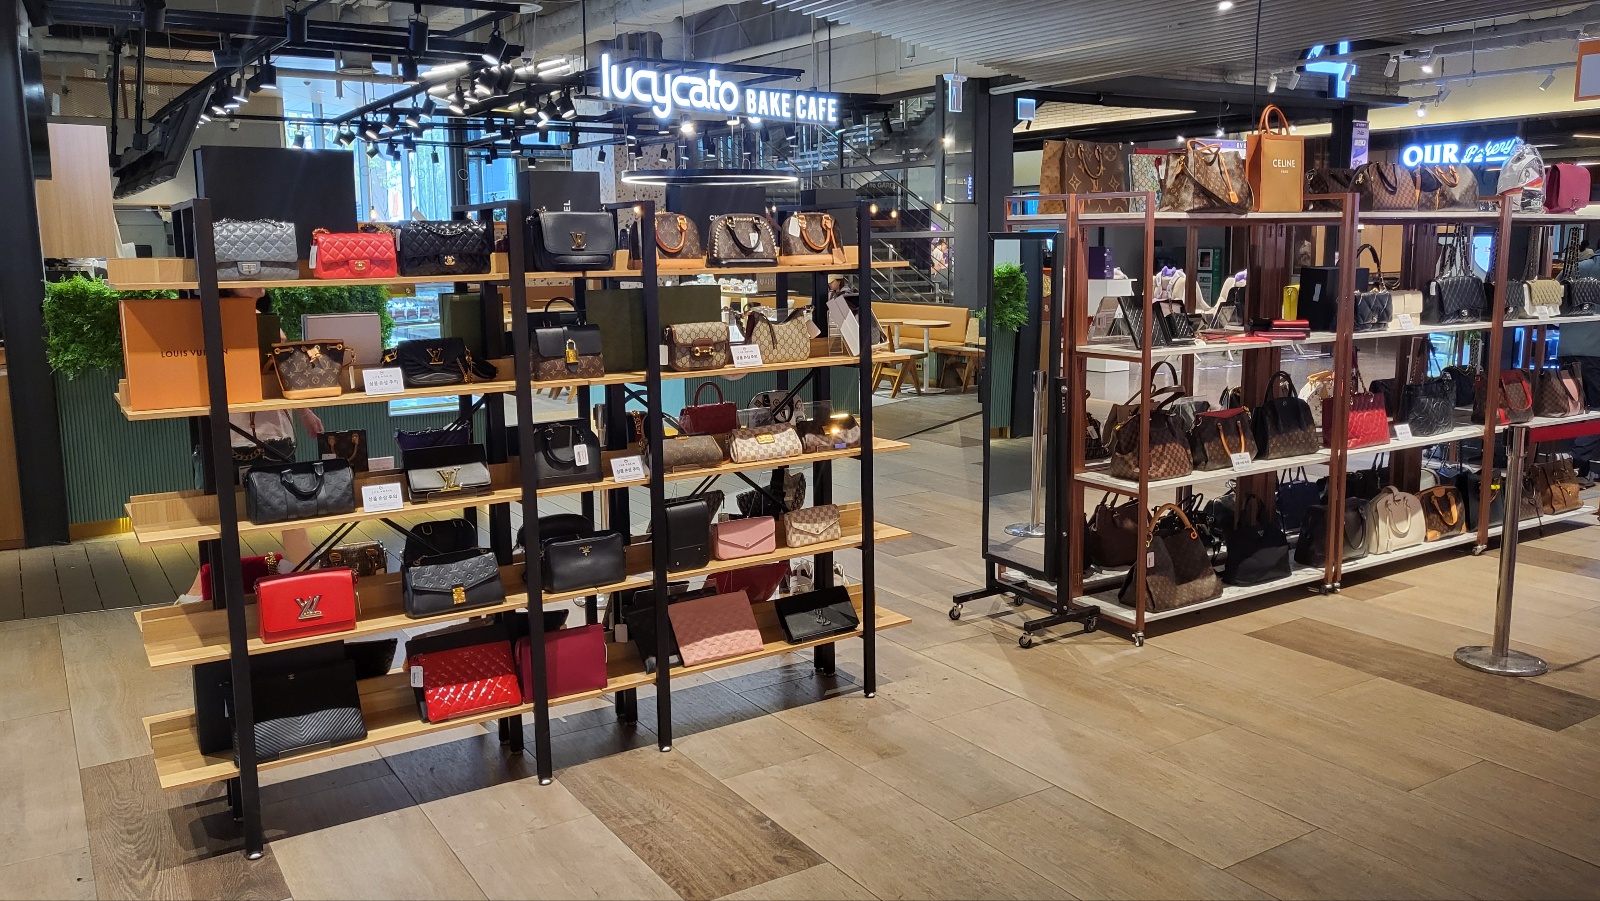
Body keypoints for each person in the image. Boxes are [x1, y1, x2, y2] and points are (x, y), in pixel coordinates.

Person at [181, 290, 326, 601]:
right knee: (230, 525)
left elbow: (286, 377)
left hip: (268, 435)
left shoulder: (264, 324)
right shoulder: (214, 322)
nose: (258, 280)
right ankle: (312, 590)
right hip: (242, 436)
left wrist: (304, 412)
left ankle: (311, 590)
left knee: (286, 520)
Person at [1557, 240, 1600, 485]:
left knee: (1575, 409)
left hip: (1567, 350)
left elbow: (1553, 301)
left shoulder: (1575, 268)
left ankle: (1571, 468)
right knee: (1596, 412)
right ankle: (1574, 465)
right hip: (1596, 353)